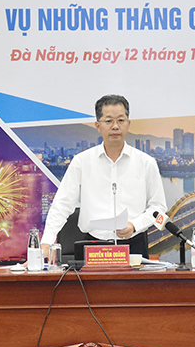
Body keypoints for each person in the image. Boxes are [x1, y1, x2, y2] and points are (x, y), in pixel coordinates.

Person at [40, 94, 166, 257]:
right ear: (98, 125)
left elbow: (159, 208)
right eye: (108, 121)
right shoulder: (82, 161)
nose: (115, 126)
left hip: (134, 246)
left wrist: (134, 225)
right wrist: (47, 242)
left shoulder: (146, 162)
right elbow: (62, 204)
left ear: (128, 124)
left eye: (121, 120)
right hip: (93, 246)